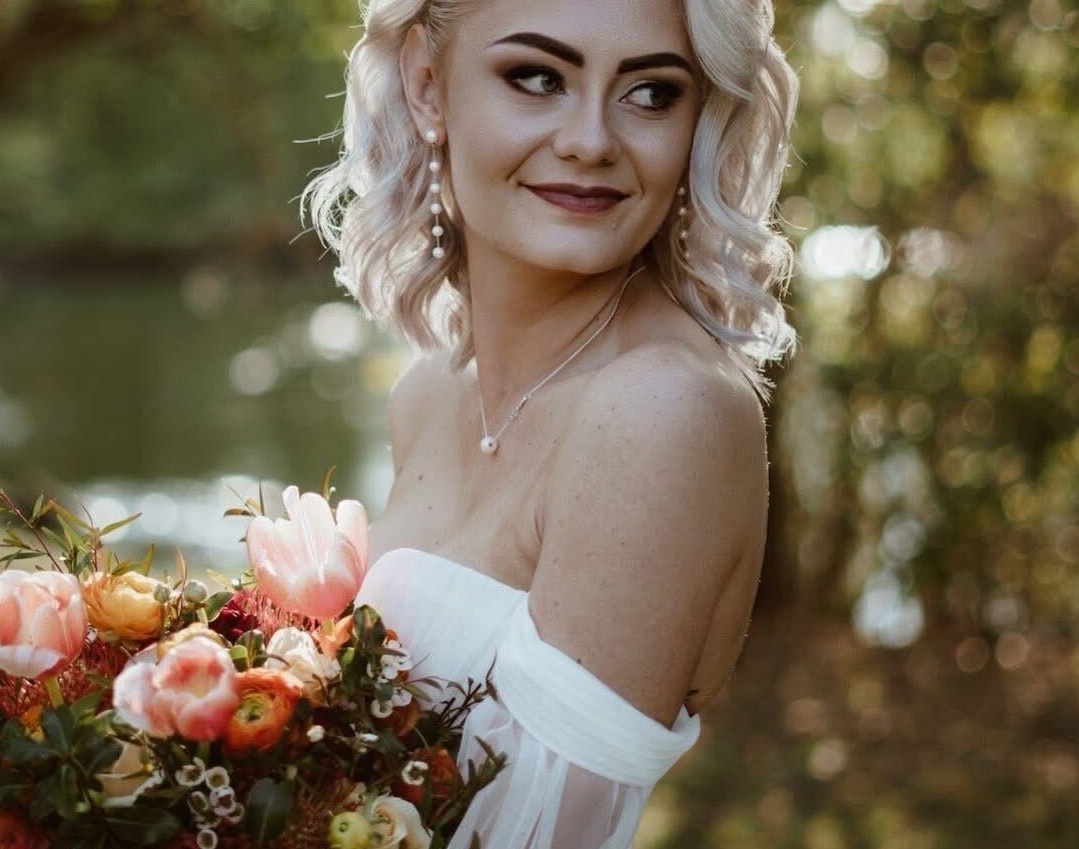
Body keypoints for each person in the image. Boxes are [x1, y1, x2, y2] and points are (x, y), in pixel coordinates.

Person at [302, 0, 798, 845]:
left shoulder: (664, 411)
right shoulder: (428, 396)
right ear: (427, 84)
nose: (591, 140)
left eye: (650, 94)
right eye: (537, 78)